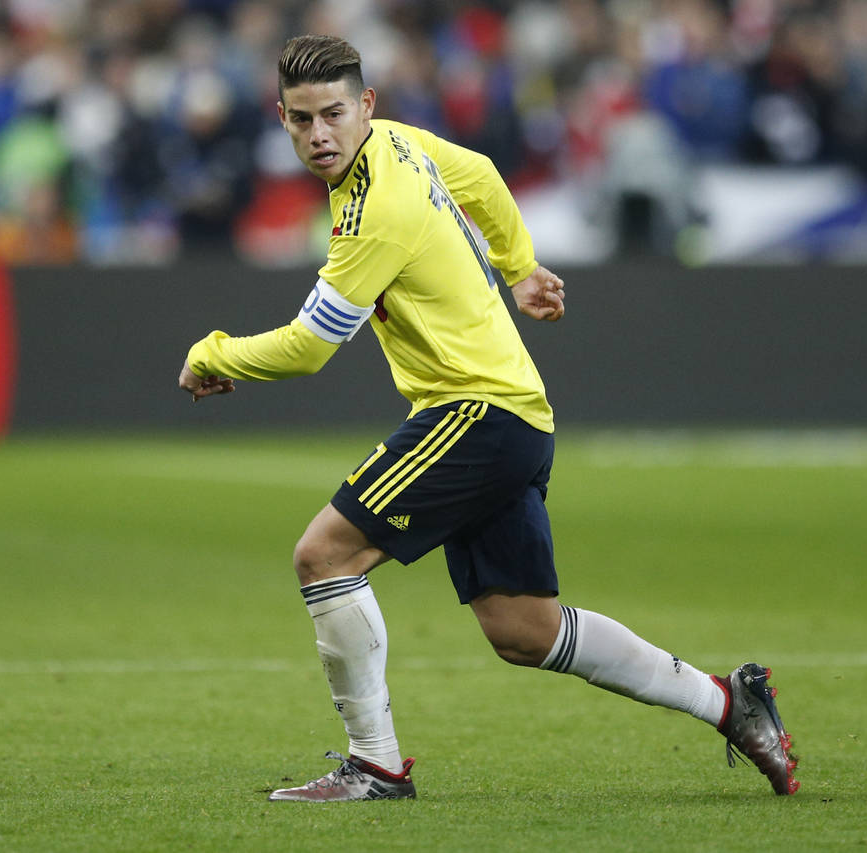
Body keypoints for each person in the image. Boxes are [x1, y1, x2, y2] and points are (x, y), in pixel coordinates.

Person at [176, 35, 799, 802]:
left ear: (365, 104)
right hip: (516, 414)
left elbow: (310, 348)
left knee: (323, 556)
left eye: (333, 114)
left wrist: (212, 353)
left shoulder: (377, 208)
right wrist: (519, 265)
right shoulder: (400, 142)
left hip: (474, 411)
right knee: (525, 630)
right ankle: (730, 701)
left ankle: (374, 766)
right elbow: (481, 174)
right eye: (301, 119)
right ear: (281, 117)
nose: (319, 134)